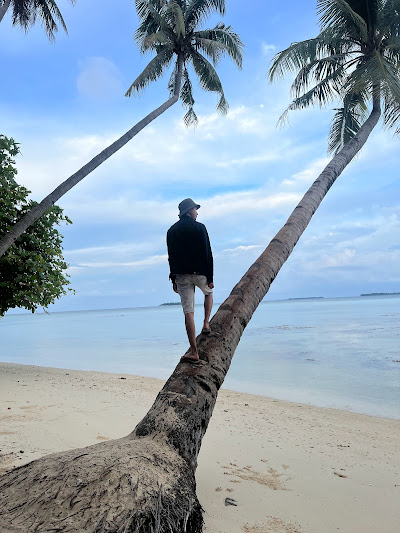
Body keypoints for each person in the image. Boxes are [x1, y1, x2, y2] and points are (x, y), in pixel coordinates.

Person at [167, 198, 214, 363]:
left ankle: (194, 351)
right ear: (189, 211)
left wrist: (173, 278)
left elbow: (171, 257)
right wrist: (210, 277)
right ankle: (206, 323)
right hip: (200, 272)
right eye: (195, 209)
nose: (197, 212)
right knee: (208, 293)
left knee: (188, 312)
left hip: (181, 274)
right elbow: (207, 252)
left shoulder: (171, 231)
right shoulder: (200, 227)